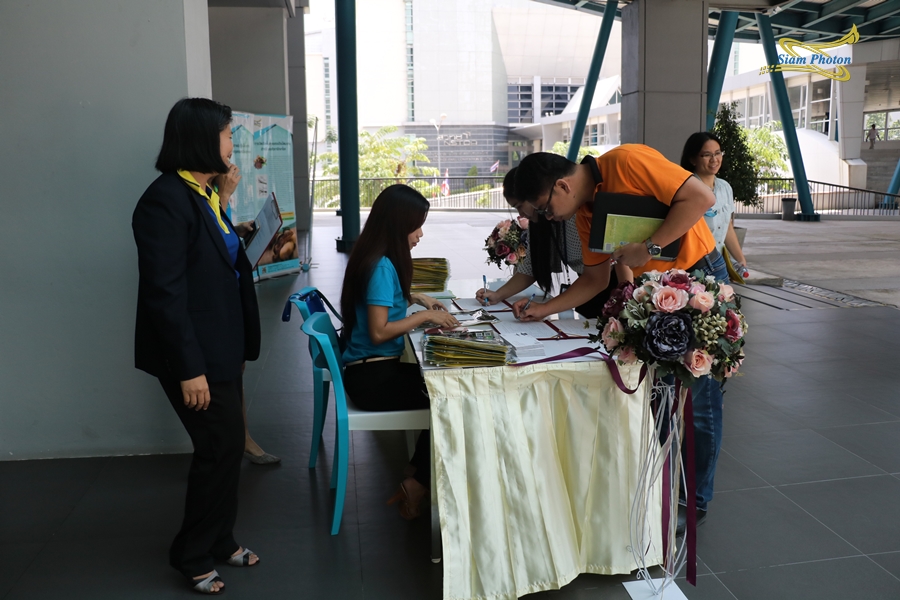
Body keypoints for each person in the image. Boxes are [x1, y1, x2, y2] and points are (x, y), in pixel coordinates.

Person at [514, 146, 725, 531]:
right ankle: (665, 488)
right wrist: (543, 310)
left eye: (544, 209)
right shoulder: (584, 213)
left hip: (697, 273)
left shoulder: (626, 162)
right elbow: (595, 279)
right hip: (655, 288)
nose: (548, 217)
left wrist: (649, 247)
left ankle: (693, 500)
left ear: (562, 186)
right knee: (661, 393)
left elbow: (700, 198)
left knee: (698, 395)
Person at [133, 98, 261, 595]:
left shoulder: (204, 191)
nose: (233, 144)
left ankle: (221, 539)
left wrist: (227, 207)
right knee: (218, 448)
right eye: (228, 135)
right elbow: (165, 294)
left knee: (227, 448)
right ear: (203, 139)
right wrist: (189, 369)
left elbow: (212, 254)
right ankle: (191, 554)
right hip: (193, 355)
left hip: (220, 345)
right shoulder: (164, 201)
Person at [339, 185, 459, 519]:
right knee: (452, 398)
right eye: (415, 225)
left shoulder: (374, 257)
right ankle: (418, 482)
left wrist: (415, 298)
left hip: (369, 371)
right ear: (397, 225)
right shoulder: (382, 267)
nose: (420, 234)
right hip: (374, 379)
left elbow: (381, 305)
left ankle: (415, 471)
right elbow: (379, 331)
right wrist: (425, 316)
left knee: (443, 387)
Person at [476, 167, 620, 317]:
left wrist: (544, 309)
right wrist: (498, 295)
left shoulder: (579, 213)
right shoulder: (542, 222)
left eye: (520, 206)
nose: (521, 214)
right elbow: (531, 268)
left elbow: (613, 267)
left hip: (612, 289)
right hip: (588, 289)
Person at [215, 166, 281, 465]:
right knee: (227, 373)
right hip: (219, 299)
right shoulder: (204, 194)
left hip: (233, 292)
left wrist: (236, 229)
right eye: (226, 156)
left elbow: (219, 230)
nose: (232, 164)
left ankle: (242, 438)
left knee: (236, 369)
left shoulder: (212, 192)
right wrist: (224, 195)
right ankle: (234, 441)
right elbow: (209, 239)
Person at [680, 132, 748, 276]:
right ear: (692, 159)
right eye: (707, 155)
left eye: (717, 153)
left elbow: (727, 227)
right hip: (694, 266)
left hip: (718, 264)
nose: (714, 159)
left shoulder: (725, 187)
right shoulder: (687, 189)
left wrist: (740, 259)